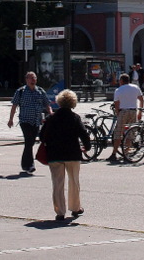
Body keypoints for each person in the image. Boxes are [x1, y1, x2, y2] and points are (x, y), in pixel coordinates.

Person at [39, 89, 90, 221]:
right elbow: (84, 134)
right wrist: (87, 147)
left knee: (57, 183)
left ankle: (60, 211)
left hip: (54, 154)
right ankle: (75, 207)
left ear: (59, 102)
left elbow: (41, 135)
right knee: (74, 181)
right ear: (73, 102)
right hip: (72, 153)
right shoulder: (75, 118)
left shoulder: (51, 118)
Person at [8, 72, 52, 173]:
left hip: (36, 121)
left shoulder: (40, 91)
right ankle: (30, 165)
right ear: (26, 79)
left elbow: (47, 104)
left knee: (30, 143)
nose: (33, 80)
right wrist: (11, 119)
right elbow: (14, 106)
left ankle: (25, 164)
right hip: (25, 121)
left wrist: (50, 112)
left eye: (34, 78)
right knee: (28, 141)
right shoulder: (21, 91)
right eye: (31, 78)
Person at [109, 73, 144, 162]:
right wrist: (140, 111)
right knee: (130, 132)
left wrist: (117, 113)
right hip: (133, 111)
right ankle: (126, 153)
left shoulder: (118, 90)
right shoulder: (135, 87)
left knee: (118, 132)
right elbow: (141, 99)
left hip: (123, 111)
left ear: (121, 81)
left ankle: (114, 154)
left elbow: (117, 104)